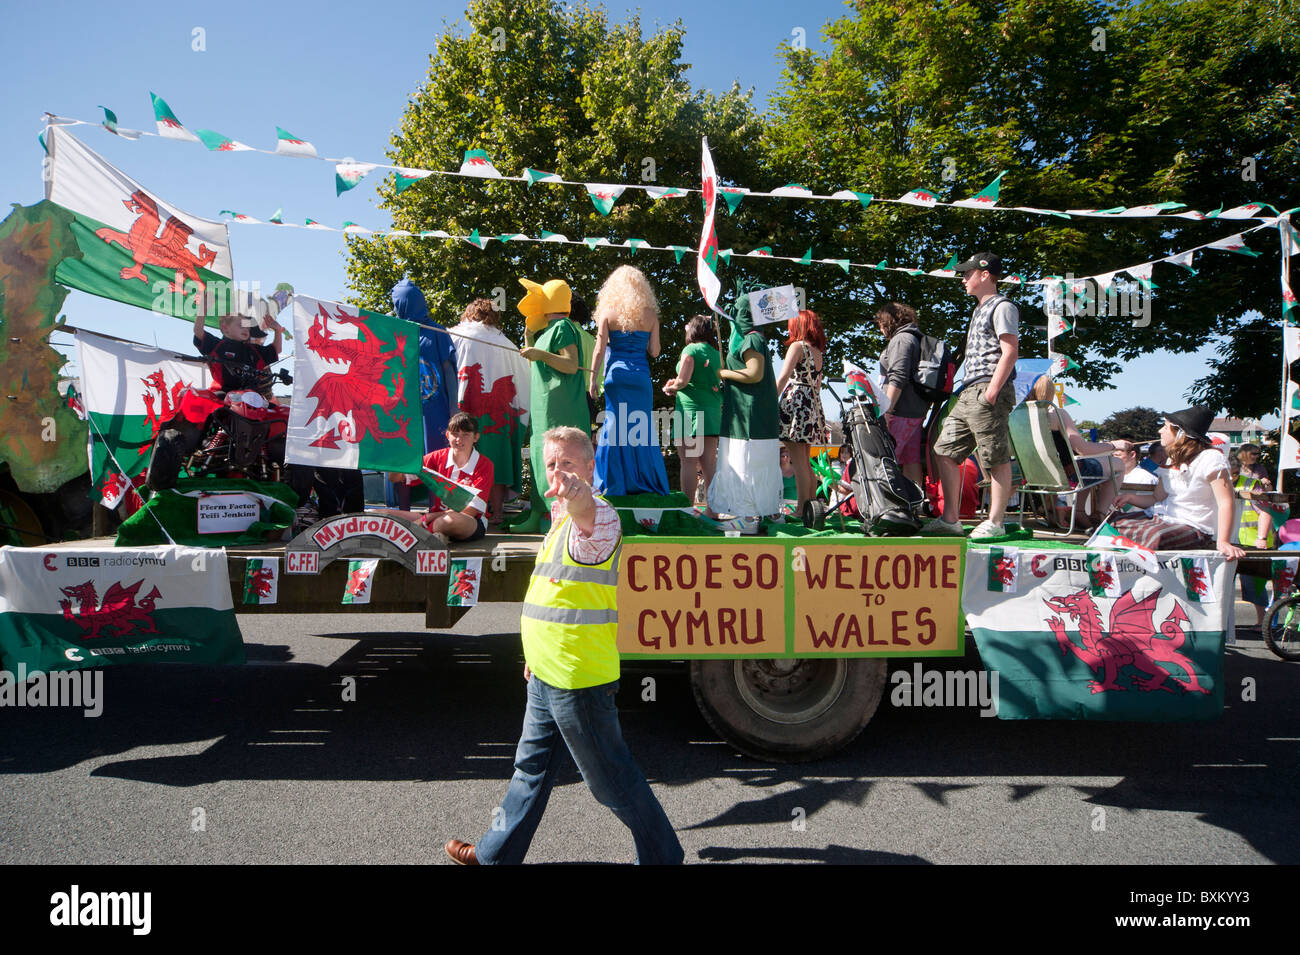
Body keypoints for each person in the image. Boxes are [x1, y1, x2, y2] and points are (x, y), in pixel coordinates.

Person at [444, 427, 683, 865]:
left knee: (611, 783)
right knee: (529, 772)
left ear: (591, 468)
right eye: (551, 464)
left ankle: (663, 857)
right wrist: (533, 658)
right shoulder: (558, 520)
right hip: (545, 673)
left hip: (579, 680)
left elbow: (589, 515)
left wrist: (579, 499)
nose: (559, 473)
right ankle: (495, 855)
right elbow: (554, 599)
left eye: (569, 464)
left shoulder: (599, 516)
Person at [926, 252, 1018, 540]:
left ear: (985, 274)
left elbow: (1010, 350)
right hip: (969, 391)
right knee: (944, 449)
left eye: (968, 273)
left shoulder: (1003, 306)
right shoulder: (980, 308)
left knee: (995, 457)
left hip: (987, 388)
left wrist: (992, 392)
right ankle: (951, 519)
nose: (964, 278)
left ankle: (996, 522)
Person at [508, 278, 591, 534]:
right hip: (545, 406)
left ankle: (559, 513)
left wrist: (539, 353)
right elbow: (543, 368)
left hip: (561, 407)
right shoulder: (547, 331)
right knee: (540, 455)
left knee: (561, 457)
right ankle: (538, 510)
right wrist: (529, 337)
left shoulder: (564, 326)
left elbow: (569, 364)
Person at [1111, 407, 1245, 558]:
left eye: (1165, 427)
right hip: (1163, 519)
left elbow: (1226, 502)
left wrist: (1223, 541)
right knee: (1113, 520)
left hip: (1195, 528)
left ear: (1181, 434)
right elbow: (1156, 498)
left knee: (1154, 535)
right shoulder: (1172, 459)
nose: (1160, 431)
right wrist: (1130, 498)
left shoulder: (1211, 458)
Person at [588, 265, 670, 497]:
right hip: (641, 377)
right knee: (640, 428)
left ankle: (613, 482)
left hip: (616, 376)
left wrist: (593, 379)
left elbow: (598, 349)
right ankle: (643, 480)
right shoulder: (651, 315)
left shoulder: (607, 312)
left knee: (614, 426)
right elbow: (654, 351)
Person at [708, 283, 784, 531]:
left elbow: (754, 373)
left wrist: (724, 373)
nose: (735, 315)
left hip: (749, 417)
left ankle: (748, 518)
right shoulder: (757, 338)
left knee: (747, 463)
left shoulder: (752, 338)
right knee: (762, 464)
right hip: (754, 414)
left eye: (739, 311)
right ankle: (771, 513)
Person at [450, 298, 530, 523]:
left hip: (464, 406)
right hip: (501, 411)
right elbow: (525, 376)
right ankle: (497, 512)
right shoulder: (507, 344)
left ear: (469, 313)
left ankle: (462, 511)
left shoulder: (455, 335)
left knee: (461, 454)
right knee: (497, 456)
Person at [386, 279, 458, 510]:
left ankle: (436, 511)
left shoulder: (436, 331)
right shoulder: (392, 331)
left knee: (435, 459)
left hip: (434, 410)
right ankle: (404, 512)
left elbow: (449, 371)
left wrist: (454, 409)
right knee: (402, 459)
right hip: (401, 410)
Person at [1024, 374, 1129, 527]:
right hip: (1066, 475)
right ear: (1049, 392)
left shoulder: (1017, 417)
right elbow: (1082, 449)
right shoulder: (1058, 414)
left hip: (1033, 474)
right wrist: (1114, 445)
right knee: (1117, 464)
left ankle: (1078, 512)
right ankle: (1099, 513)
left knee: (1088, 466)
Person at [663, 315, 721, 505]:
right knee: (709, 464)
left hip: (690, 411)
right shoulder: (715, 352)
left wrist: (671, 387)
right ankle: (713, 509)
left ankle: (687, 509)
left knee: (688, 462)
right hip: (712, 411)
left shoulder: (690, 349)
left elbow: (684, 380)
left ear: (693, 330)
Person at [776, 309, 828, 519]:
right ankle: (812, 507)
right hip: (811, 404)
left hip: (796, 403)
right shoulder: (818, 353)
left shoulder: (797, 347)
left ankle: (801, 509)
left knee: (798, 462)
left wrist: (770, 401)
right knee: (806, 461)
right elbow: (818, 385)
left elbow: (783, 377)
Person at [874, 302, 930, 486]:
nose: (881, 329)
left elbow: (898, 376)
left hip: (900, 410)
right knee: (910, 458)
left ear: (889, 321)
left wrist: (887, 410)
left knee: (887, 458)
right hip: (916, 409)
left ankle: (886, 505)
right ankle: (913, 504)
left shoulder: (902, 339)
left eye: (881, 324)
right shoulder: (916, 337)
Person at [192, 289, 282, 395]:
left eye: (248, 328)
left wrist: (278, 330)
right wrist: (203, 309)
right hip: (222, 395)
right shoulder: (218, 346)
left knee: (279, 410)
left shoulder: (254, 350)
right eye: (241, 326)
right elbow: (198, 332)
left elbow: (276, 350)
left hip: (250, 398)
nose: (246, 329)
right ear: (225, 328)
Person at [1231, 452, 1275, 626]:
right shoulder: (1219, 483)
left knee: (1255, 584)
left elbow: (1265, 511)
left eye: (1234, 472)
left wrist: (1262, 538)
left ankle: (1262, 623)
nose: (1231, 476)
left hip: (1252, 543)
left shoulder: (1252, 484)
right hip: (1230, 542)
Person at [1113, 435, 1158, 516]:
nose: (1113, 459)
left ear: (1132, 454)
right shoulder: (1112, 477)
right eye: (1112, 456)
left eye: (1117, 455)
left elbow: (1148, 510)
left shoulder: (1145, 478)